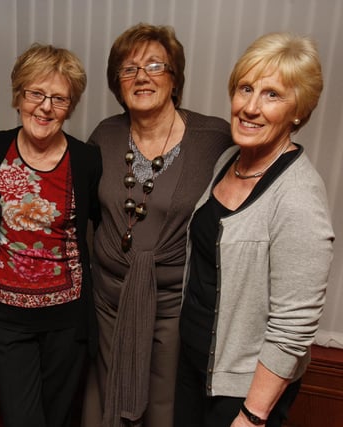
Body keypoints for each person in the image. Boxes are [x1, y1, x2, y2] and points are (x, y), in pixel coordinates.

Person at [174, 32, 335, 427]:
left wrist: (252, 415)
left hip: (243, 393)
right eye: (245, 88)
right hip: (196, 370)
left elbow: (292, 330)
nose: (250, 107)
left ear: (299, 110)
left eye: (272, 95)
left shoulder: (299, 198)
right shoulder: (230, 159)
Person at [81, 23, 233, 427]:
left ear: (175, 77)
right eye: (129, 69)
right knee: (102, 406)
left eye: (154, 65)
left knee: (164, 411)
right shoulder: (105, 136)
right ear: (117, 83)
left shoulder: (214, 138)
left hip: (174, 310)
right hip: (107, 304)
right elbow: (88, 216)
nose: (142, 76)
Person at [0, 43, 101, 427]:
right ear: (19, 96)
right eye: (35, 94)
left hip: (67, 318)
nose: (45, 107)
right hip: (4, 315)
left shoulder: (86, 159)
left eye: (59, 99)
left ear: (71, 105)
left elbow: (101, 226)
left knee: (59, 417)